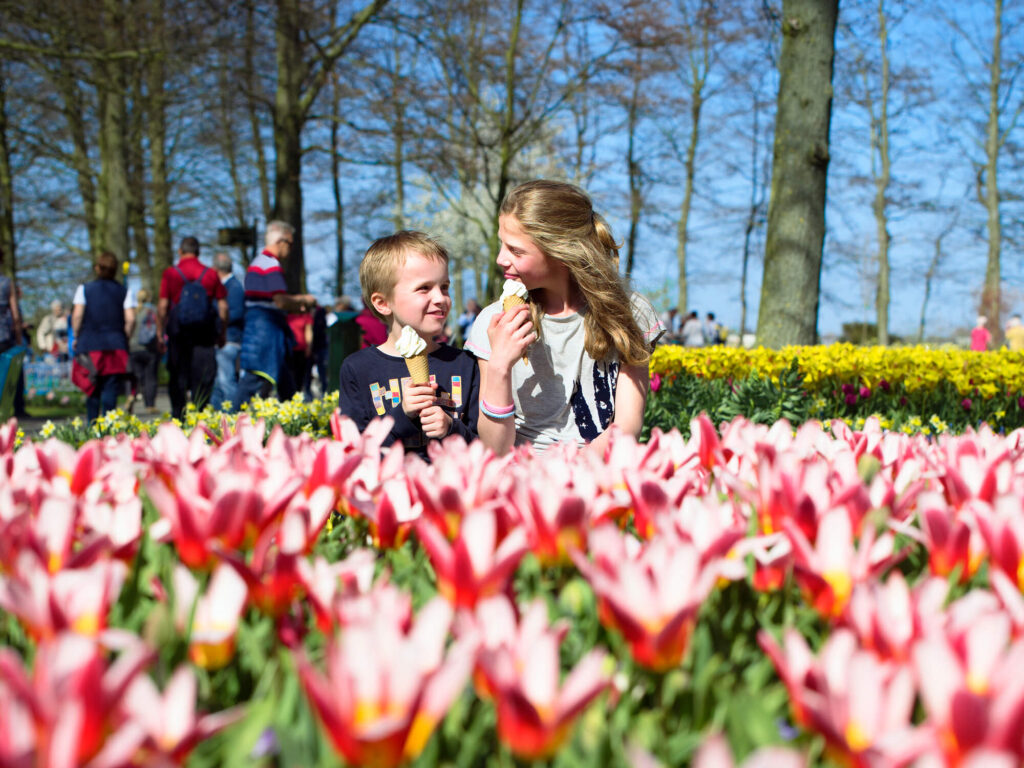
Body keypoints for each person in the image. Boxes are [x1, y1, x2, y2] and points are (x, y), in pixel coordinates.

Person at [465, 180, 663, 456]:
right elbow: (494, 448)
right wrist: (499, 365)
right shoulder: (493, 321)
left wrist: (569, 473)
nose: (500, 259)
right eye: (502, 244)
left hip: (597, 470)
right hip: (519, 476)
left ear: (561, 253)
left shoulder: (629, 314)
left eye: (516, 250)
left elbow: (627, 427)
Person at [338, 231, 479, 460]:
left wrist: (451, 428)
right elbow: (354, 451)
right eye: (424, 288)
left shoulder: (465, 364)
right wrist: (402, 416)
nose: (441, 298)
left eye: (444, 287)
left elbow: (483, 446)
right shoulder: (358, 369)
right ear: (383, 303)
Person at [233, 221, 317, 411]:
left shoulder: (258, 263)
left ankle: (297, 419)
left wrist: (293, 306)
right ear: (281, 241)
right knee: (256, 377)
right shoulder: (270, 264)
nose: (291, 249)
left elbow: (270, 301)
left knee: (282, 379)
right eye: (291, 244)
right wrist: (304, 300)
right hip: (266, 330)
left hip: (263, 327)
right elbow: (280, 301)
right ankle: (229, 423)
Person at [157, 236, 228, 419]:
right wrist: (222, 333)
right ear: (198, 252)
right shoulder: (211, 274)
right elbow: (223, 307)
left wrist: (159, 333)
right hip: (204, 335)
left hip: (178, 335)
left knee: (178, 378)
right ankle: (200, 417)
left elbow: (163, 306)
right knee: (203, 378)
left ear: (180, 251)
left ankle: (178, 418)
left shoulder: (171, 273)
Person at [71, 252, 135, 422]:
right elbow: (131, 319)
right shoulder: (124, 291)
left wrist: (76, 335)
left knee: (92, 389)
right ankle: (109, 430)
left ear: (97, 268)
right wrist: (125, 336)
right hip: (115, 346)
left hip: (90, 345)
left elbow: (77, 316)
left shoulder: (84, 289)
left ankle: (92, 428)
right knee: (110, 389)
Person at [210, 251, 246, 409]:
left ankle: (233, 417)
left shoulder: (234, 287)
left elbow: (236, 313)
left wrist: (217, 319)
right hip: (226, 339)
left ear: (216, 269)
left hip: (229, 339)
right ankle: (217, 416)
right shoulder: (231, 286)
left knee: (227, 382)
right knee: (218, 383)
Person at [128, 288, 160, 413]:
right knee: (150, 377)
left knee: (136, 376)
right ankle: (149, 405)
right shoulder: (152, 310)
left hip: (133, 347)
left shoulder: (133, 311)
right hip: (149, 347)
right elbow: (158, 327)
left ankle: (132, 396)